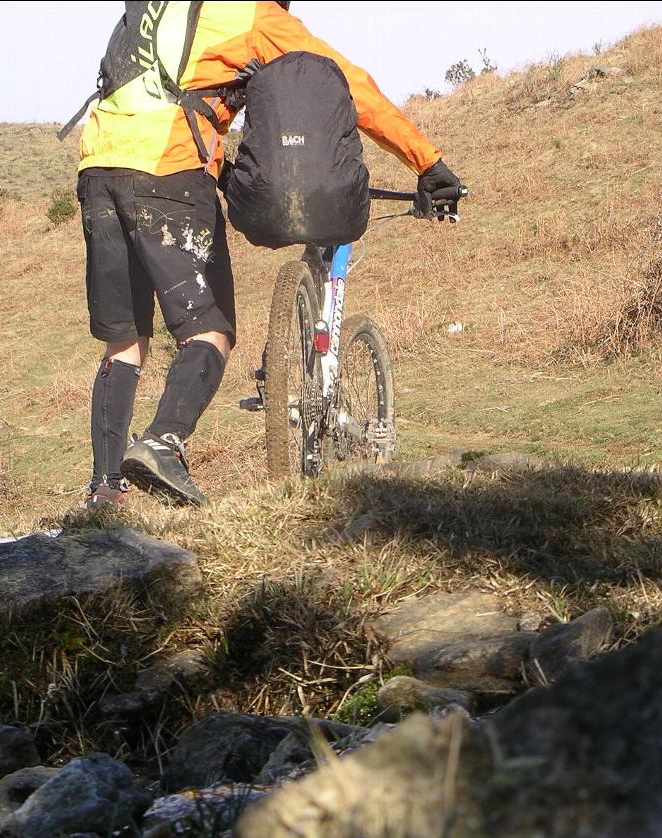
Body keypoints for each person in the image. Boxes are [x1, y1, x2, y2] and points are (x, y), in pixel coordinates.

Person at [72, 0, 463, 508]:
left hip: (97, 168)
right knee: (207, 330)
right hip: (166, 169)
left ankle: (104, 491)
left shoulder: (153, 9)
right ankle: (163, 442)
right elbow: (344, 83)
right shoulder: (248, 13)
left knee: (124, 341)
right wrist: (427, 161)